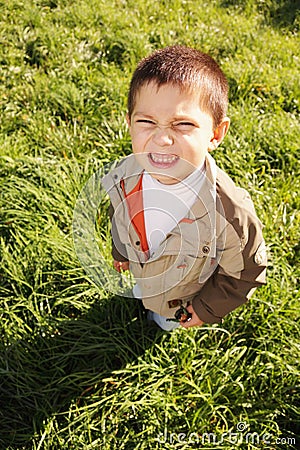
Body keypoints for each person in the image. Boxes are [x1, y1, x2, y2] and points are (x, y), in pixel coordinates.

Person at [101, 45, 267, 331]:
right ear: (129, 123)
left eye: (183, 124)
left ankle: (161, 319)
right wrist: (121, 251)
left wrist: (205, 308)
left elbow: (246, 270)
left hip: (180, 298)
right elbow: (121, 217)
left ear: (215, 133)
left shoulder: (230, 214)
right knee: (143, 294)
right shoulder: (125, 178)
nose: (162, 139)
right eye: (146, 122)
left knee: (163, 323)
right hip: (145, 274)